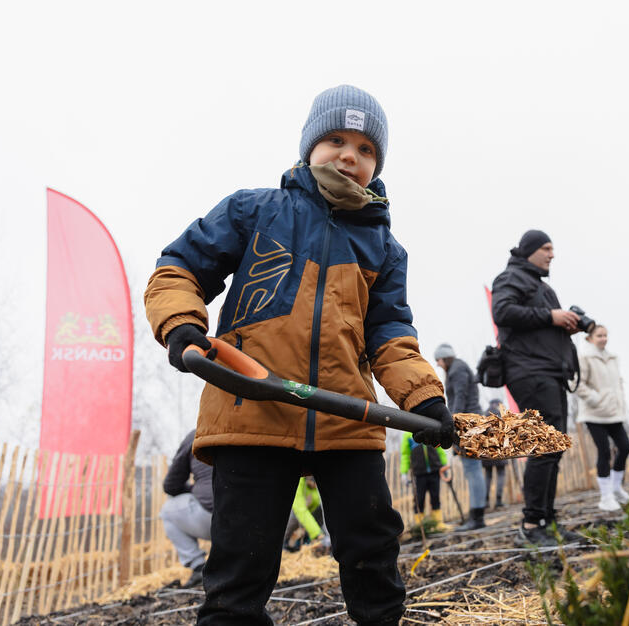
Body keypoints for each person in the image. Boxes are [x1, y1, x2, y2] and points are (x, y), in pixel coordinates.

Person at [144, 85, 454, 625]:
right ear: (310, 145)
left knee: (372, 549)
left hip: (346, 416)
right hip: (252, 408)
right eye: (336, 140)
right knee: (241, 563)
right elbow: (179, 270)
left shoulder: (383, 247)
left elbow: (391, 334)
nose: (348, 155)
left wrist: (423, 397)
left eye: (365, 148)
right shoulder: (255, 210)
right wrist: (182, 326)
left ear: (376, 164)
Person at [491, 230, 581, 545]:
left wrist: (568, 321)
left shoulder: (542, 287)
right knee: (544, 446)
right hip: (529, 371)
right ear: (528, 251)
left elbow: (545, 323)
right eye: (546, 248)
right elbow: (502, 311)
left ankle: (547, 520)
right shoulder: (510, 278)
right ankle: (531, 526)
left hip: (551, 372)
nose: (551, 254)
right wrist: (550, 316)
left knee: (554, 448)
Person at [575, 324, 629, 513]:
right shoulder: (584, 358)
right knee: (604, 451)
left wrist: (622, 408)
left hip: (614, 412)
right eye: (599, 335)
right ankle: (606, 496)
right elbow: (576, 383)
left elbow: (618, 385)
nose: (603, 338)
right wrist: (594, 399)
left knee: (625, 446)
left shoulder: (613, 358)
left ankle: (616, 489)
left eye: (605, 335)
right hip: (594, 413)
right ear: (590, 338)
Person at [434, 343, 486, 531]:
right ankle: (476, 514)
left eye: (438, 360)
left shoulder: (457, 370)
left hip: (468, 424)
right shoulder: (458, 368)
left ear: (444, 358)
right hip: (469, 421)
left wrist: (453, 421)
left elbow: (460, 397)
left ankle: (477, 516)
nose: (438, 365)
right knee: (472, 469)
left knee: (473, 469)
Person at [161, 429, 213, 588]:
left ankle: (198, 567)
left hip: (214, 516)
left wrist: (195, 489)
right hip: (256, 518)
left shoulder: (197, 435)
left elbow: (171, 485)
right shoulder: (252, 429)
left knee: (168, 510)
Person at [400, 431, 450, 530]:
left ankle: (438, 524)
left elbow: (439, 449)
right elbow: (405, 455)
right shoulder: (407, 435)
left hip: (435, 470)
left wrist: (444, 465)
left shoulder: (429, 429)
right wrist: (404, 472)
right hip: (419, 473)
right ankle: (420, 526)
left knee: (435, 497)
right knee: (419, 499)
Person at [283, 477, 330, 553]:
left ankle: (319, 543)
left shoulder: (316, 489)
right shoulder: (300, 483)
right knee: (292, 521)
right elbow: (300, 509)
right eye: (311, 481)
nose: (313, 484)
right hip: (299, 513)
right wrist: (317, 534)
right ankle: (285, 544)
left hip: (313, 514)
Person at [481, 399, 508, 510]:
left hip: (487, 452)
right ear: (498, 404)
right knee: (501, 475)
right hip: (499, 451)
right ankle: (498, 501)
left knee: (488, 476)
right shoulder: (501, 415)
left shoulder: (484, 416)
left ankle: (486, 502)